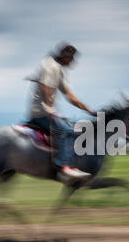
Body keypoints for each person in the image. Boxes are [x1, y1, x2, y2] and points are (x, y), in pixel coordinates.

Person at [26, 43, 96, 184]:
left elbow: (70, 96)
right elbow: (45, 88)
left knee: (73, 128)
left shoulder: (59, 70)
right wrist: (51, 111)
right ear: (66, 57)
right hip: (41, 112)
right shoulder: (50, 66)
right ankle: (64, 168)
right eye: (72, 59)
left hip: (48, 111)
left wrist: (89, 109)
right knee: (64, 130)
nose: (73, 62)